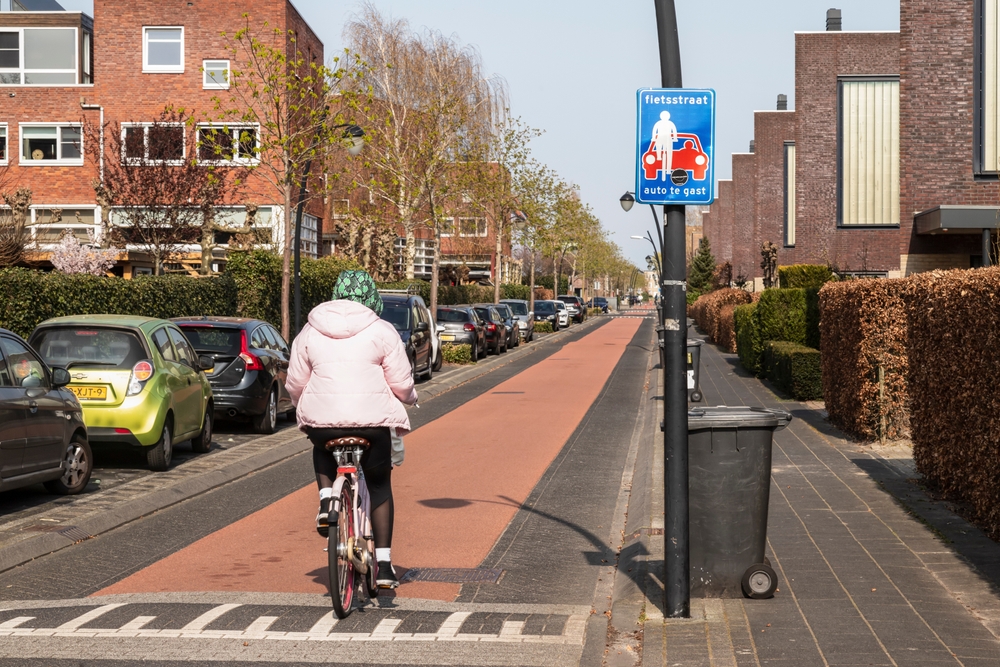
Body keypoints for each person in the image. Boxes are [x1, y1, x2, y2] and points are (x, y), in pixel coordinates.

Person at [286, 269, 417, 589]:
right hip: (372, 425)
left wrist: (302, 402)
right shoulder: (383, 331)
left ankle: (327, 500)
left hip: (324, 424)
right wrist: (411, 398)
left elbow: (294, 383)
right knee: (380, 485)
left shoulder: (309, 331)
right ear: (372, 299)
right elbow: (401, 384)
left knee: (321, 446)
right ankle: (384, 566)